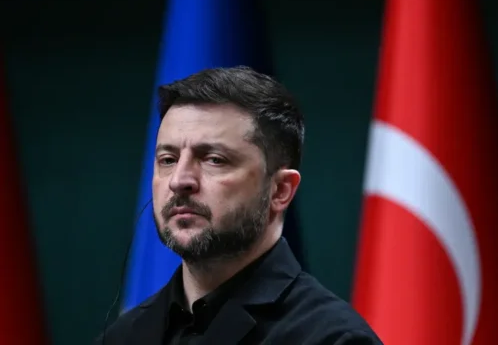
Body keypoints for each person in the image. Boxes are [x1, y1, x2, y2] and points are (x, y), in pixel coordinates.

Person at [97, 66, 382, 344]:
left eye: (214, 160)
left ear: (280, 190)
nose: (179, 180)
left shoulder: (334, 338)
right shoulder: (122, 337)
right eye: (168, 160)